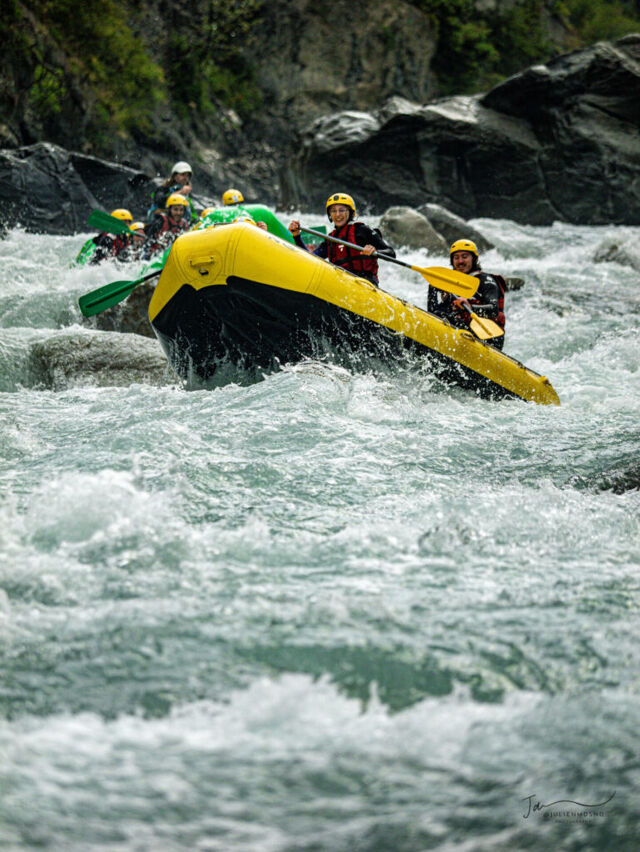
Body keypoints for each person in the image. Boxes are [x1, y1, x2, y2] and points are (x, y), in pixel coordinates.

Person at [288, 192, 395, 286]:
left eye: (342, 210)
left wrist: (375, 251)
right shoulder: (330, 239)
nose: (338, 214)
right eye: (333, 211)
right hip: (340, 284)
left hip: (365, 283)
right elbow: (311, 258)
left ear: (350, 213)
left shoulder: (362, 230)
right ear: (330, 215)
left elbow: (391, 253)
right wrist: (297, 236)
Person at [429, 239, 506, 349]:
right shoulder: (451, 284)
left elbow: (493, 309)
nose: (460, 261)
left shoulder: (486, 281)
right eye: (456, 258)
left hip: (486, 339)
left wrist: (471, 307)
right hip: (458, 332)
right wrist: (432, 289)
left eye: (465, 257)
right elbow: (434, 314)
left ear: (474, 259)